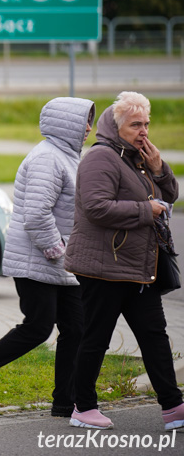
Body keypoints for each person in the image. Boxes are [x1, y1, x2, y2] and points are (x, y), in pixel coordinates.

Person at [0, 97, 95, 415]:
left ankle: (66, 400)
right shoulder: (47, 158)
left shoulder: (68, 157)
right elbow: (36, 215)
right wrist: (58, 251)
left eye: (91, 120)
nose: (89, 127)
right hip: (39, 260)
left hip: (62, 263)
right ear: (67, 123)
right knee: (38, 326)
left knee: (76, 328)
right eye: (84, 121)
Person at [65, 91, 184, 431]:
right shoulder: (101, 158)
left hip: (136, 267)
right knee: (96, 337)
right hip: (104, 268)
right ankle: (82, 408)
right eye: (135, 125)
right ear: (116, 127)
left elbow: (171, 194)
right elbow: (96, 207)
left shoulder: (138, 156)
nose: (143, 130)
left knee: (154, 335)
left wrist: (160, 169)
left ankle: (173, 408)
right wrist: (146, 210)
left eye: (146, 123)